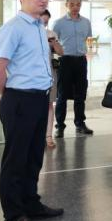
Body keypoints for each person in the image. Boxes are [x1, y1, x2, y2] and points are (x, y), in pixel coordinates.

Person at [0, 0, 63, 221]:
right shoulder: (14, 28)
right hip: (20, 99)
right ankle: (13, 215)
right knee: (16, 160)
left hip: (39, 98)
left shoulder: (39, 27)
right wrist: (8, 93)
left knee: (33, 157)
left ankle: (31, 204)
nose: (44, 0)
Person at [52, 0, 94, 137]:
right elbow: (53, 43)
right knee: (62, 94)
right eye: (72, 4)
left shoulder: (86, 22)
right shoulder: (58, 23)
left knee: (80, 94)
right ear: (66, 5)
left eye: (78, 4)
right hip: (65, 61)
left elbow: (87, 38)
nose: (75, 7)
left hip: (81, 60)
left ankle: (80, 123)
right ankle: (60, 126)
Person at [40, 10, 64, 149]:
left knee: (49, 104)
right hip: (32, 74)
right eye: (41, 21)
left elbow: (61, 52)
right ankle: (36, 135)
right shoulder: (27, 33)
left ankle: (48, 135)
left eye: (46, 22)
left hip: (49, 72)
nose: (44, 24)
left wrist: (54, 43)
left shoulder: (51, 33)